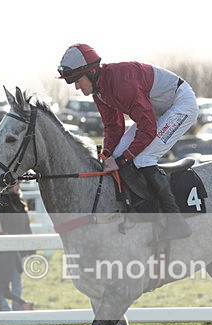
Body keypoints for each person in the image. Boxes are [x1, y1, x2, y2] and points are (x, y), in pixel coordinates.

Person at [57, 43, 198, 243]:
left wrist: (123, 160)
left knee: (143, 158)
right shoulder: (99, 91)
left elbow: (147, 129)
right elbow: (114, 127)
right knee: (116, 156)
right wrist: (107, 154)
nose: (77, 87)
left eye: (78, 80)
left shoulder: (122, 84)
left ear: (92, 72)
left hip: (181, 104)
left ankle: (175, 220)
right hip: (156, 110)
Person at [0, 182, 32, 309]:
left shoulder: (19, 202)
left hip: (19, 248)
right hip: (5, 249)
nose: (18, 186)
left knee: (16, 280)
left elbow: (26, 226)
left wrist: (31, 247)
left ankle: (16, 308)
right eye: (16, 184)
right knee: (2, 281)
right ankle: (4, 309)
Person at [0, 216, 34, 312]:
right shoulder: (8, 238)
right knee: (6, 293)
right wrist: (19, 268)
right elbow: (16, 254)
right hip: (9, 272)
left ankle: (1, 313)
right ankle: (23, 303)